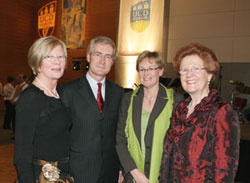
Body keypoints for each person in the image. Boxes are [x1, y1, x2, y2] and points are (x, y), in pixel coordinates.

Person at [159, 43, 240, 183]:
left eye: (196, 68)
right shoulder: (179, 110)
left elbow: (223, 172)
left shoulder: (221, 112)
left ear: (209, 74)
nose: (189, 74)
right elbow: (168, 161)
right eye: (184, 70)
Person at [59, 36, 124, 182]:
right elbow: (60, 134)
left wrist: (121, 167)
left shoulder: (119, 93)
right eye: (98, 54)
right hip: (78, 171)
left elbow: (121, 134)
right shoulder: (68, 91)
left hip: (110, 171)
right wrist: (64, 171)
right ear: (88, 57)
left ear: (113, 62)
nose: (102, 61)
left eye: (108, 56)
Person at [116, 51, 184, 183]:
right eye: (142, 69)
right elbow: (120, 139)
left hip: (164, 176)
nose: (146, 73)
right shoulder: (128, 99)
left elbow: (179, 144)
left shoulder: (175, 100)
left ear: (161, 71)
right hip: (134, 175)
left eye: (151, 68)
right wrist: (134, 172)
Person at [14, 36, 72, 183]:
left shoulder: (60, 95)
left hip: (62, 176)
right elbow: (22, 153)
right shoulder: (31, 98)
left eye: (60, 56)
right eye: (49, 56)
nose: (57, 61)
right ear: (37, 64)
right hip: (40, 178)